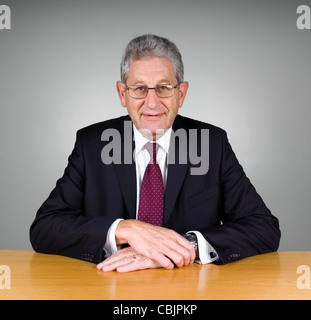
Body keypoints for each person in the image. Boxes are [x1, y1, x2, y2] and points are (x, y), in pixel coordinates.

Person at [30, 34, 281, 272]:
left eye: (163, 88)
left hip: (189, 287)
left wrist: (183, 247)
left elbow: (264, 228)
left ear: (180, 94)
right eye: (139, 88)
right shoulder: (92, 144)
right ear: (122, 93)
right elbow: (45, 228)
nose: (152, 103)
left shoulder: (211, 144)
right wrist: (125, 230)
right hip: (109, 284)